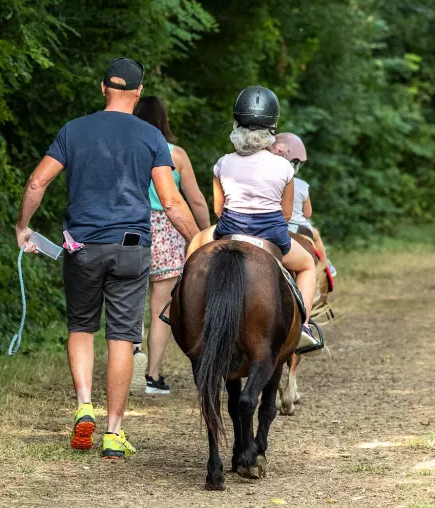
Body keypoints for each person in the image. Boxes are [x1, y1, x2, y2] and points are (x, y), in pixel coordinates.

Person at [15, 58, 200, 460]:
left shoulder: (74, 130)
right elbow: (170, 201)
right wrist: (199, 240)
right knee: (122, 336)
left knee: (81, 326)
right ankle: (113, 433)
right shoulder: (151, 136)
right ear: (137, 92)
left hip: (81, 247)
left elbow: (37, 180)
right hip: (132, 248)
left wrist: (23, 227)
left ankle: (84, 406)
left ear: (103, 88)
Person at [185, 86, 318, 348]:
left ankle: (179, 305)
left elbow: (218, 210)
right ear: (272, 126)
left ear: (237, 124)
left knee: (194, 247)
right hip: (271, 234)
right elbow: (287, 213)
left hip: (230, 230)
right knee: (308, 266)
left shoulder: (223, 162)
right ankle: (303, 326)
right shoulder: (283, 166)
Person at [129, 96, 211, 396]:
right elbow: (196, 199)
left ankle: (130, 360)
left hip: (132, 226)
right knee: (161, 305)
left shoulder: (128, 148)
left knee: (130, 298)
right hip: (167, 228)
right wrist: (204, 232)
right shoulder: (175, 154)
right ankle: (151, 376)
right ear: (165, 120)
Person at [270, 133, 335, 277]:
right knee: (316, 235)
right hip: (295, 227)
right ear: (295, 162)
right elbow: (308, 213)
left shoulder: (265, 180)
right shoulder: (301, 185)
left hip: (268, 224)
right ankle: (326, 265)